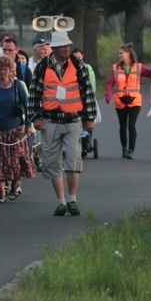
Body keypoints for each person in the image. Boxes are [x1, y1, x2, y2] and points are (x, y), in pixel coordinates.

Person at [28, 31, 97, 217]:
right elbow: (34, 93)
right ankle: (61, 201)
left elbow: (87, 92)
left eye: (68, 45)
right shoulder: (42, 66)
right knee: (51, 161)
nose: (67, 48)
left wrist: (90, 118)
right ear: (55, 48)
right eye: (63, 46)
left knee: (73, 157)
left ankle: (73, 199)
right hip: (50, 120)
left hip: (73, 119)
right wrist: (35, 117)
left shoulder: (77, 65)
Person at [0, 55, 34, 202]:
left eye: (5, 69)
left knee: (16, 160)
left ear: (11, 70)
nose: (2, 72)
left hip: (16, 129)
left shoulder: (18, 86)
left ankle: (15, 185)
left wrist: (29, 125)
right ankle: (1, 194)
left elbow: (28, 107)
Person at [105, 43, 151, 160]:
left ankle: (131, 150)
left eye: (121, 53)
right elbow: (109, 83)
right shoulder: (115, 68)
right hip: (120, 100)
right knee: (122, 125)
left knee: (131, 124)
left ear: (128, 54)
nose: (119, 55)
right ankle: (124, 149)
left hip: (134, 100)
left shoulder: (138, 67)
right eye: (119, 53)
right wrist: (108, 96)